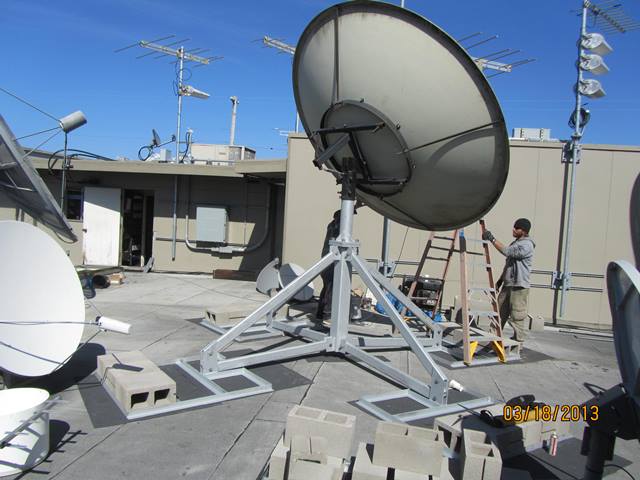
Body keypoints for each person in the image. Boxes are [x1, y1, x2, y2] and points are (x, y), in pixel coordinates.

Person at [482, 218, 536, 344]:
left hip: (519, 286)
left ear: (523, 231)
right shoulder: (516, 243)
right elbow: (508, 266)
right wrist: (501, 280)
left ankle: (519, 342)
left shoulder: (527, 245)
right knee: (500, 312)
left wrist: (492, 239)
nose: (513, 229)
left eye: (516, 228)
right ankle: (493, 339)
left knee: (517, 315)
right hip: (508, 285)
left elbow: (507, 252)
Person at [316, 210, 341, 320]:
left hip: (325, 261)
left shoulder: (331, 225)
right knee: (331, 288)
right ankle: (327, 314)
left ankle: (320, 313)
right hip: (330, 262)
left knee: (326, 287)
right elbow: (343, 215)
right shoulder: (336, 227)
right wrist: (355, 207)